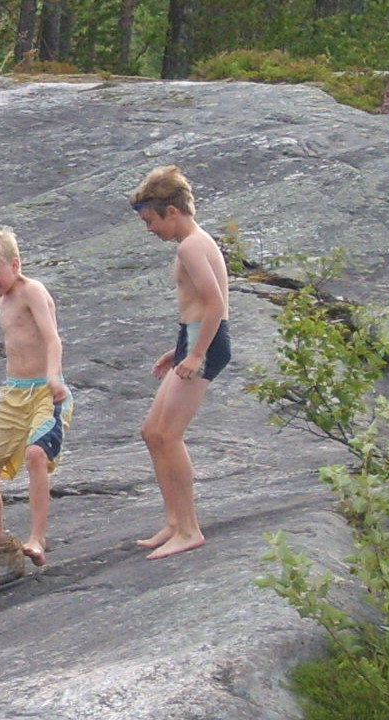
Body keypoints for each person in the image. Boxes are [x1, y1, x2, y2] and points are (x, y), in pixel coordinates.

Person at [129, 165, 231, 560]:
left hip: (204, 343)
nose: (149, 229)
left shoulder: (191, 245)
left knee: (168, 435)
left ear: (172, 211)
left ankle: (189, 529)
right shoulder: (193, 243)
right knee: (151, 431)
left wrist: (196, 353)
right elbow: (198, 306)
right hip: (193, 337)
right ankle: (174, 521)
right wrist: (182, 347)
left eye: (151, 220)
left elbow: (216, 304)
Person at [0, 227, 73, 567]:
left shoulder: (33, 291)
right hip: (13, 392)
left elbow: (52, 338)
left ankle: (37, 537)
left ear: (15, 265)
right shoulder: (1, 298)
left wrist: (54, 375)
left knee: (35, 454)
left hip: (45, 390)